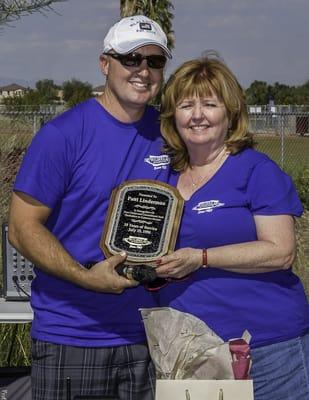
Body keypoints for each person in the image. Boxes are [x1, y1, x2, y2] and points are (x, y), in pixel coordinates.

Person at [8, 15, 172, 400]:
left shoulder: (171, 133)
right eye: (131, 59)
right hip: (73, 333)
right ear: (105, 64)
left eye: (155, 61)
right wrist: (87, 278)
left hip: (150, 337)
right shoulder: (63, 135)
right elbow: (21, 228)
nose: (143, 70)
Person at [155, 52, 309, 400]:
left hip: (266, 349)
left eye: (209, 104)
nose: (197, 116)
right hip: (188, 350)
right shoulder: (163, 177)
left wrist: (201, 258)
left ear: (230, 113)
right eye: (185, 105)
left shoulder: (256, 171)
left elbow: (280, 251)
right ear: (172, 115)